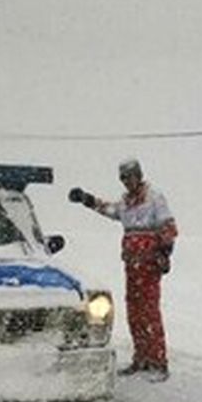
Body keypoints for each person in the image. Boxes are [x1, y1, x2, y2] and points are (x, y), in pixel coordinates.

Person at [69, 158, 177, 382]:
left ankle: (158, 361)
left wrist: (165, 253)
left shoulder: (154, 197)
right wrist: (86, 199)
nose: (127, 182)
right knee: (134, 312)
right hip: (132, 265)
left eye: (129, 177)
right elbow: (109, 209)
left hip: (149, 264)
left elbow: (169, 227)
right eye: (123, 179)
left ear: (139, 175)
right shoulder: (127, 202)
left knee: (150, 312)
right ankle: (141, 358)